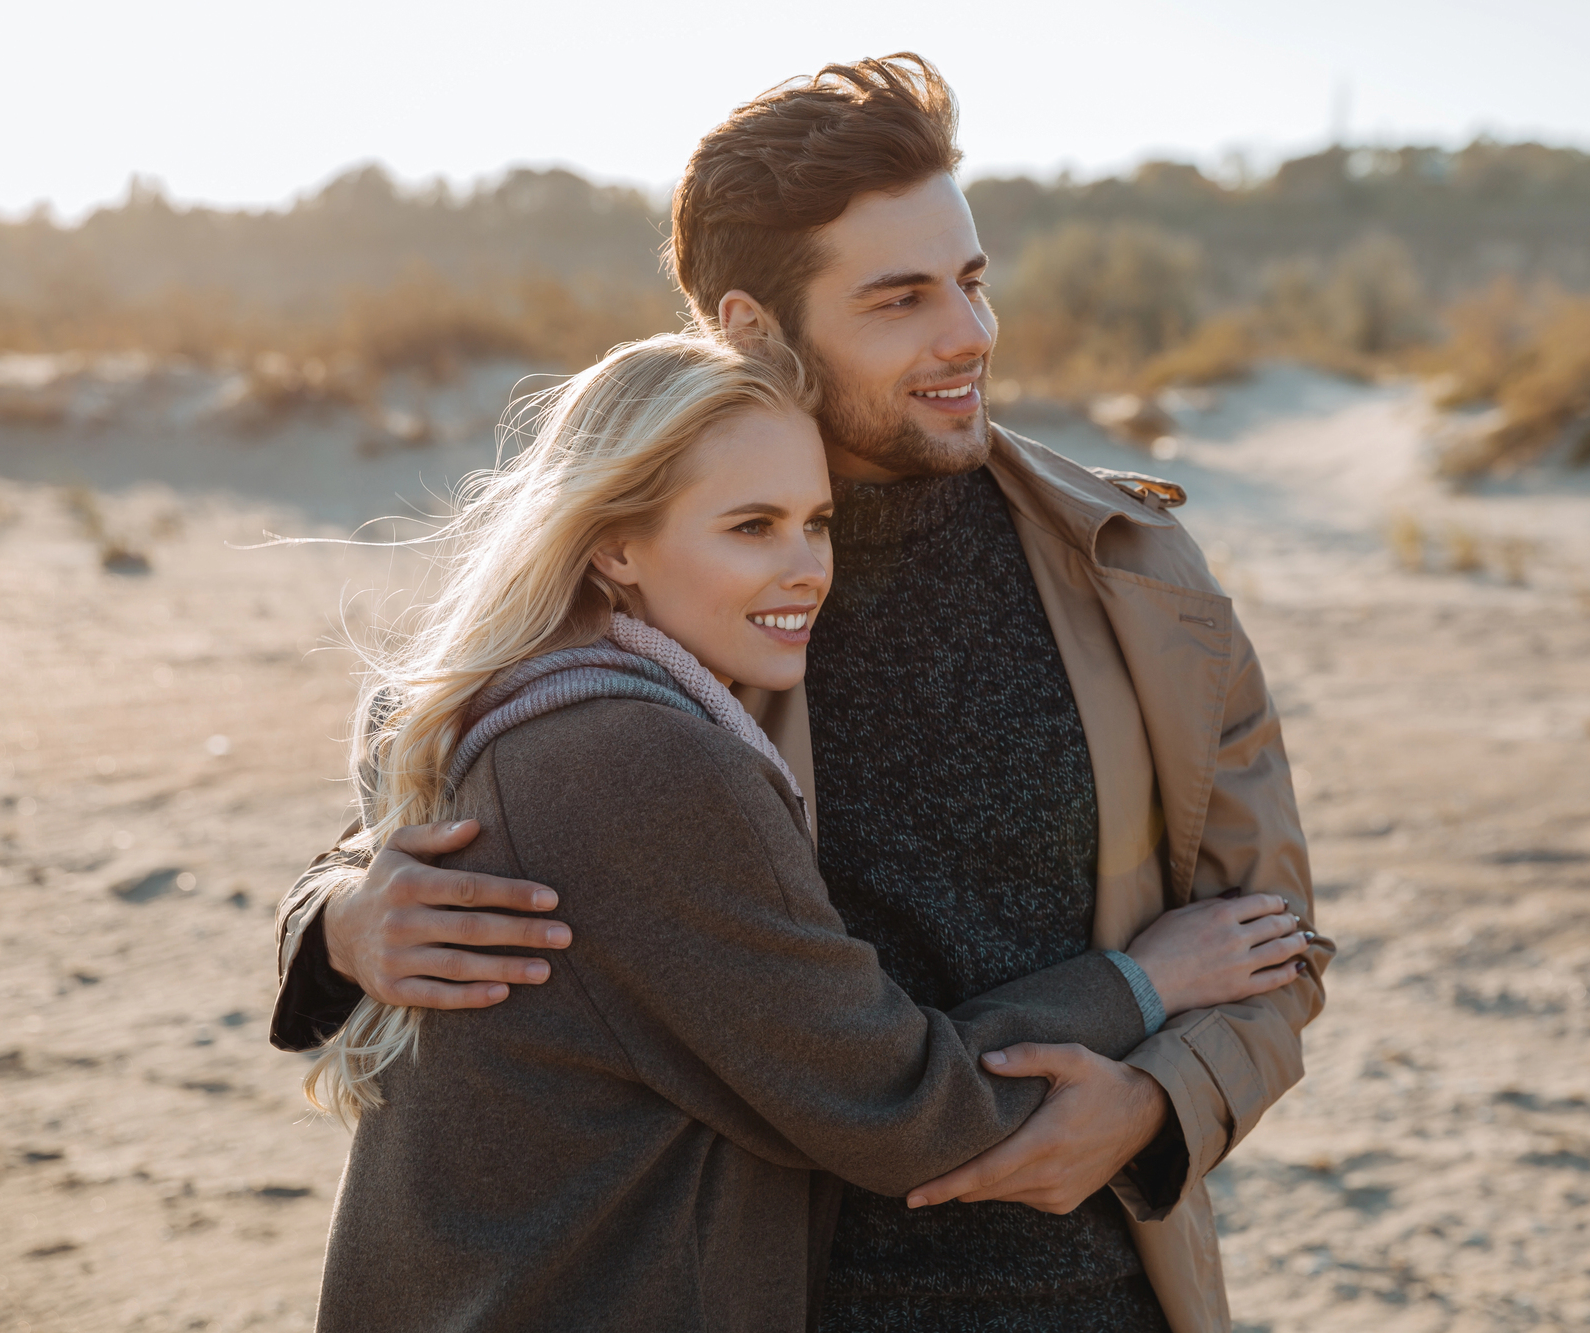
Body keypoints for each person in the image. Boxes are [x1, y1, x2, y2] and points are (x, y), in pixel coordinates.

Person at [276, 54, 1331, 1333]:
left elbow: (1267, 939)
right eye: (900, 298)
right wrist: (339, 919)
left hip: (1090, 1286)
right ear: (752, 326)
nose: (970, 335)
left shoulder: (1131, 569)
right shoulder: (652, 580)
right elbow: (432, 805)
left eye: (972, 279)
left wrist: (1159, 1102)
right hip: (763, 1289)